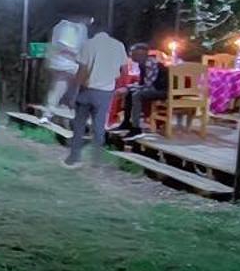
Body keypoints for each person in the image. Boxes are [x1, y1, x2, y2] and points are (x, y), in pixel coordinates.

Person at [65, 26, 127, 167]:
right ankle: (97, 159)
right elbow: (124, 69)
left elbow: (82, 70)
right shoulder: (118, 45)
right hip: (106, 91)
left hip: (87, 89)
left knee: (79, 125)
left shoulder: (88, 44)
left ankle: (74, 157)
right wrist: (118, 86)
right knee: (99, 126)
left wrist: (74, 92)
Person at [117, 44, 167, 135]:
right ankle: (126, 122)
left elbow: (148, 85)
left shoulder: (150, 64)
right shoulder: (142, 64)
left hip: (162, 90)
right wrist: (128, 88)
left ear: (141, 55)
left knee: (137, 95)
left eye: (133, 54)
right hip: (154, 87)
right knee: (130, 92)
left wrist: (127, 88)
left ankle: (136, 128)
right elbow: (143, 83)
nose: (130, 56)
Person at [45, 17, 91, 113]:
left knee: (69, 88)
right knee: (60, 87)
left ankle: (61, 108)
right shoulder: (70, 27)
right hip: (65, 64)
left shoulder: (66, 26)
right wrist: (79, 53)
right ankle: (49, 112)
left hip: (67, 64)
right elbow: (65, 46)